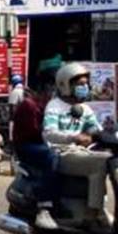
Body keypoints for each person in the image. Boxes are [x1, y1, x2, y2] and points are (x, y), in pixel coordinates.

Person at [43, 62, 106, 224]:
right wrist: (74, 137)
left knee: (111, 160)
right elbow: (49, 133)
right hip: (60, 153)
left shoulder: (84, 109)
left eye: (86, 84)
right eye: (80, 84)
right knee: (100, 164)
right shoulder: (54, 106)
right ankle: (94, 212)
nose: (84, 87)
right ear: (65, 85)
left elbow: (96, 130)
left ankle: (98, 206)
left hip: (80, 153)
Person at [11, 75, 59, 230]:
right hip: (27, 145)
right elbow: (35, 132)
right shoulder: (29, 105)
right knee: (51, 157)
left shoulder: (50, 107)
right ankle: (44, 205)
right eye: (50, 90)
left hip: (42, 142)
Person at [6, 72, 25, 141]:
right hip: (25, 118)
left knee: (13, 138)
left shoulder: (15, 92)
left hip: (17, 119)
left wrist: (11, 119)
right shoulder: (25, 90)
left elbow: (12, 107)